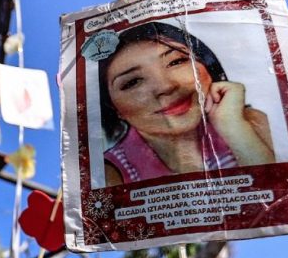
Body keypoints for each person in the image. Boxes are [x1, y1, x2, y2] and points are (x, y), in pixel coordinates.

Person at [99, 22, 275, 186]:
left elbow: (282, 200)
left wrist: (234, 128)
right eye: (133, 82)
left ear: (207, 65)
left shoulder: (250, 124)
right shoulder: (110, 172)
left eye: (176, 62)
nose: (166, 87)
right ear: (114, 107)